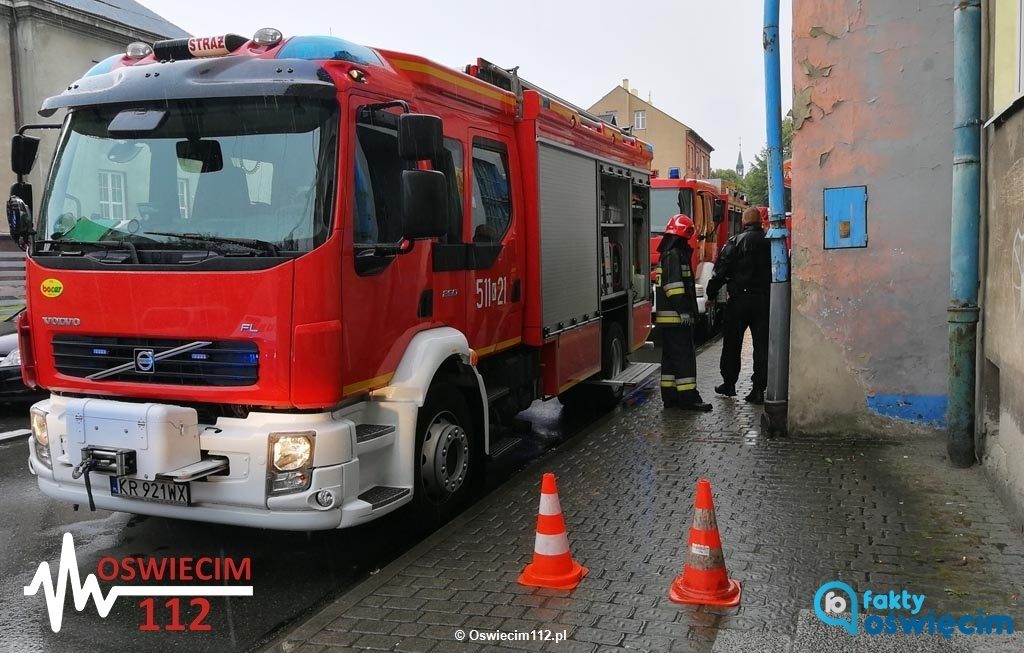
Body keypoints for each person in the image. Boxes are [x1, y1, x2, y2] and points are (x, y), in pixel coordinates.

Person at [706, 206, 772, 404]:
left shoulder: (735, 242)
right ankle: (759, 389)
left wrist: (711, 292)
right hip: (763, 300)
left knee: (732, 344)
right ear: (761, 222)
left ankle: (729, 384)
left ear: (744, 222)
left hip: (738, 301)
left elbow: (720, 270)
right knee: (762, 346)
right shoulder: (770, 242)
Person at [655, 214, 712, 412]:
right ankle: (689, 398)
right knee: (684, 358)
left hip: (671, 319)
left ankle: (671, 397)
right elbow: (675, 288)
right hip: (677, 319)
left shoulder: (669, 253)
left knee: (671, 360)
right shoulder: (674, 256)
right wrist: (685, 312)